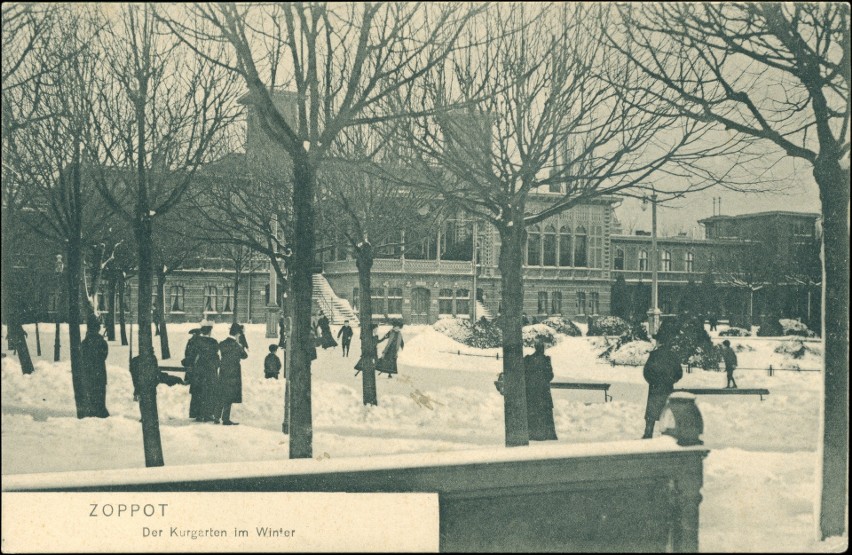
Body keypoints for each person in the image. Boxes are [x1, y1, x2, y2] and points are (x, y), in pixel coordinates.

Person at [641, 340, 683, 439]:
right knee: (666, 411)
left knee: (651, 413)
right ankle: (668, 434)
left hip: (655, 388)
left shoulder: (654, 355)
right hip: (667, 387)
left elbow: (646, 371)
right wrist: (671, 381)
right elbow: (679, 373)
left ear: (659, 343)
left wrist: (652, 381)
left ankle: (648, 433)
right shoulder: (673, 356)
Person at [523, 340, 557, 441]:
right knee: (544, 413)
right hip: (543, 392)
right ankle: (545, 434)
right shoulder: (545, 360)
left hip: (532, 392)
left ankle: (534, 434)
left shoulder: (528, 359)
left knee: (534, 412)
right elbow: (550, 376)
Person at [187, 320, 220, 422]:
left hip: (199, 371)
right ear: (210, 331)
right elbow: (216, 357)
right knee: (210, 392)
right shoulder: (214, 342)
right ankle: (208, 414)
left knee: (198, 392)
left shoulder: (196, 341)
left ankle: (198, 414)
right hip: (210, 371)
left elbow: (191, 356)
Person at [216, 323, 247, 425]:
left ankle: (216, 417)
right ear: (237, 334)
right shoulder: (237, 346)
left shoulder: (222, 343)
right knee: (229, 396)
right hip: (233, 373)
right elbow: (244, 356)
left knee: (221, 394)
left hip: (223, 372)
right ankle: (225, 419)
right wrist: (240, 345)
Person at [81, 314, 109, 418]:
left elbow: (82, 355)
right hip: (100, 371)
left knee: (90, 390)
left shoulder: (85, 342)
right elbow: (104, 355)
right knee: (100, 391)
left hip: (88, 371)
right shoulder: (102, 342)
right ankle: (100, 409)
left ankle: (92, 410)